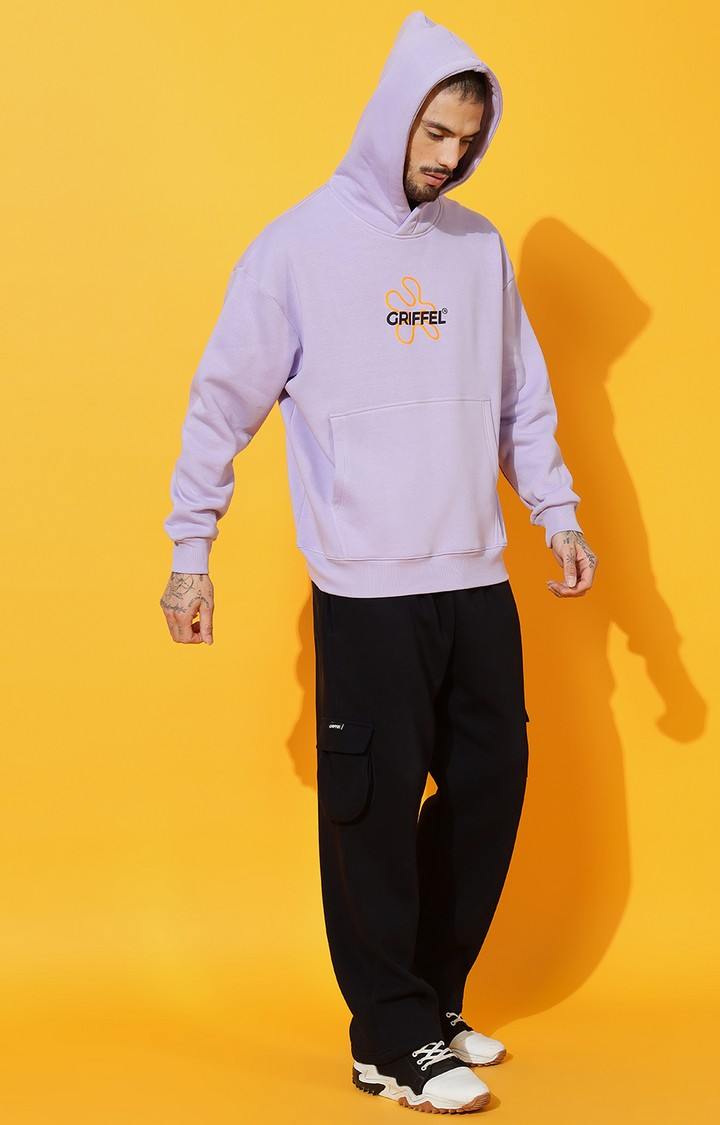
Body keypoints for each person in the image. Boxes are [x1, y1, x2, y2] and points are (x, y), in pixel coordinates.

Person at [159, 9, 598, 1115]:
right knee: (372, 811)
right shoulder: (295, 249)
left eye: (467, 140)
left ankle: (430, 1002)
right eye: (434, 133)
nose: (449, 157)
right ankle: (389, 1039)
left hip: (476, 575)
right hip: (367, 588)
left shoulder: (477, 248)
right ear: (392, 117)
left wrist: (556, 511)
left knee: (492, 785)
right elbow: (220, 406)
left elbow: (522, 399)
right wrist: (189, 550)